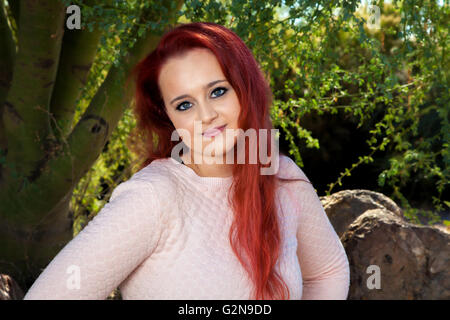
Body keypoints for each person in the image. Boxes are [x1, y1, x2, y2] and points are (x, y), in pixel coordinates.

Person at [23, 22, 349, 300]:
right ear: (167, 116)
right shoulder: (153, 198)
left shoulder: (281, 176)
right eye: (184, 105)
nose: (206, 115)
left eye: (218, 91)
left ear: (245, 88)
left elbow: (327, 272)